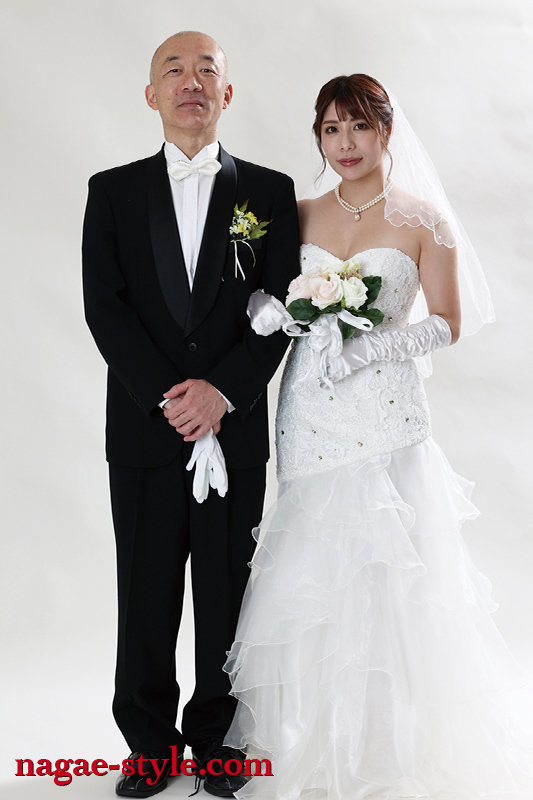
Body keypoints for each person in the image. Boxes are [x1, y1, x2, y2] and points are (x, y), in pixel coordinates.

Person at [223, 75, 533, 799]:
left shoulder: (422, 220)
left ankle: (385, 750)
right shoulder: (297, 214)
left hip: (387, 412)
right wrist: (279, 311)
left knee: (393, 570)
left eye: (358, 126)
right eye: (330, 130)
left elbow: (448, 321)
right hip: (310, 411)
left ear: (386, 130)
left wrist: (373, 346)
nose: (345, 143)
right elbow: (260, 293)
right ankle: (309, 740)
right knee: (312, 569)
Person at [82, 31, 299, 798]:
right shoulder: (111, 191)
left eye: (207, 69)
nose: (191, 81)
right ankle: (148, 746)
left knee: (228, 594)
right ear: (152, 94)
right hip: (144, 432)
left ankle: (218, 743)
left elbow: (280, 307)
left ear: (227, 93)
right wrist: (174, 399)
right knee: (144, 596)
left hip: (233, 433)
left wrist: (222, 392)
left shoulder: (268, 194)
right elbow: (105, 308)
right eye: (173, 69)